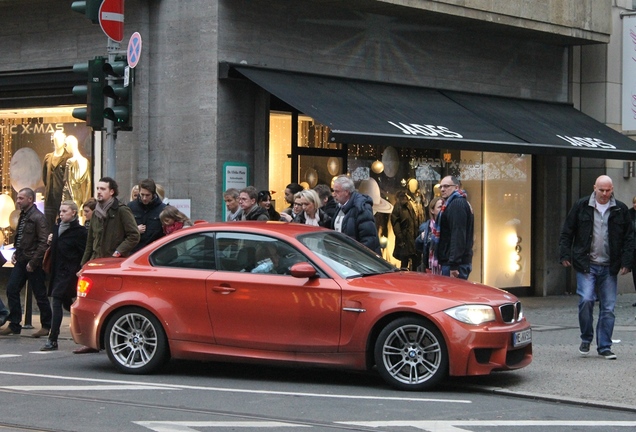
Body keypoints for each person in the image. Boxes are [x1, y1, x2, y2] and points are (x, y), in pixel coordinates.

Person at [559, 175, 634, 360]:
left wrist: (627, 262)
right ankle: (586, 338)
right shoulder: (582, 206)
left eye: (608, 190)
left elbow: (629, 238)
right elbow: (567, 231)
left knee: (608, 307)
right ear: (594, 188)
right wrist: (565, 254)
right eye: (601, 190)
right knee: (586, 300)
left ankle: (605, 346)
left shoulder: (620, 209)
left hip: (609, 266)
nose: (605, 194)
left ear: (612, 189)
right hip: (586, 264)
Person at [76, 177, 139, 354]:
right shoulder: (96, 212)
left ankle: (116, 339)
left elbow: (134, 235)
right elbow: (90, 241)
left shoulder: (121, 211)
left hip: (114, 265)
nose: (99, 192)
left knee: (112, 303)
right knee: (89, 303)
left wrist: (117, 253)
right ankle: (90, 341)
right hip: (96, 264)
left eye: (103, 189)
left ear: (112, 191)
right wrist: (84, 265)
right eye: (97, 188)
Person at [0, 188, 52, 337]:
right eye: (18, 198)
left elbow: (43, 242)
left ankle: (46, 325)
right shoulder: (23, 216)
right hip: (22, 259)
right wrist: (16, 252)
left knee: (39, 294)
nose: (18, 201)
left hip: (32, 262)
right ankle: (14, 323)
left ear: (30, 199)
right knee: (11, 289)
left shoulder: (38, 217)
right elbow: (22, 237)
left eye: (21, 198)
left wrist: (34, 262)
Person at [40, 201, 87, 351]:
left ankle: (53, 338)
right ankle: (86, 322)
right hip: (56, 271)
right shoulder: (57, 227)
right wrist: (51, 242)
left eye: (65, 211)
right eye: (60, 211)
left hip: (69, 272)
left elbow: (84, 252)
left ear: (73, 212)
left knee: (56, 299)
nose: (61, 214)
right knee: (68, 304)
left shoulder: (80, 232)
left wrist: (81, 269)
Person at [436, 176, 474, 279]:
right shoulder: (453, 203)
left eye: (446, 186)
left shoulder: (457, 204)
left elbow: (458, 236)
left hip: (454, 265)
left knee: (452, 294)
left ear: (456, 187)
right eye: (441, 187)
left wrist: (454, 265)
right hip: (453, 263)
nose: (442, 189)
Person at [330, 175, 380, 253]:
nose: (334, 194)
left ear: (346, 192)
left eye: (337, 191)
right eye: (333, 191)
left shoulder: (361, 208)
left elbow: (368, 240)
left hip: (358, 259)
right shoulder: (339, 207)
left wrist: (356, 259)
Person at [42, 130, 71, 231]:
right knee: (48, 224)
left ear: (64, 141)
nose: (57, 142)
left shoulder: (68, 158)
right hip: (49, 198)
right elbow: (44, 177)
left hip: (62, 197)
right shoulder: (48, 157)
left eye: (59, 139)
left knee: (64, 223)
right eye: (55, 139)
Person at [128, 178, 167, 253]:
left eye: (147, 195)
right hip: (134, 252)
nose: (144, 198)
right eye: (142, 195)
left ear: (153, 194)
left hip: (154, 252)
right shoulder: (131, 207)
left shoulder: (163, 209)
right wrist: (135, 230)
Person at [61, 135, 91, 219]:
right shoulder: (85, 161)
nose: (65, 148)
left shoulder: (70, 161)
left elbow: (68, 181)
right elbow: (89, 182)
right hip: (79, 193)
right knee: (78, 216)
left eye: (66, 145)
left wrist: (72, 197)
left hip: (69, 194)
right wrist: (85, 199)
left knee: (67, 216)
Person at [391, 190, 420, 270]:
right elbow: (395, 222)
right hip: (405, 238)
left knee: (415, 262)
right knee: (404, 261)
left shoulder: (414, 203)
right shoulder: (399, 205)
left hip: (414, 236)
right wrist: (400, 237)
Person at [415, 196, 443, 274]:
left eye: (443, 207)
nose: (442, 209)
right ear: (432, 210)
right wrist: (421, 238)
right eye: (439, 207)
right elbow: (418, 247)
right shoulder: (426, 227)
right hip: (429, 266)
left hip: (444, 266)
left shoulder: (448, 225)